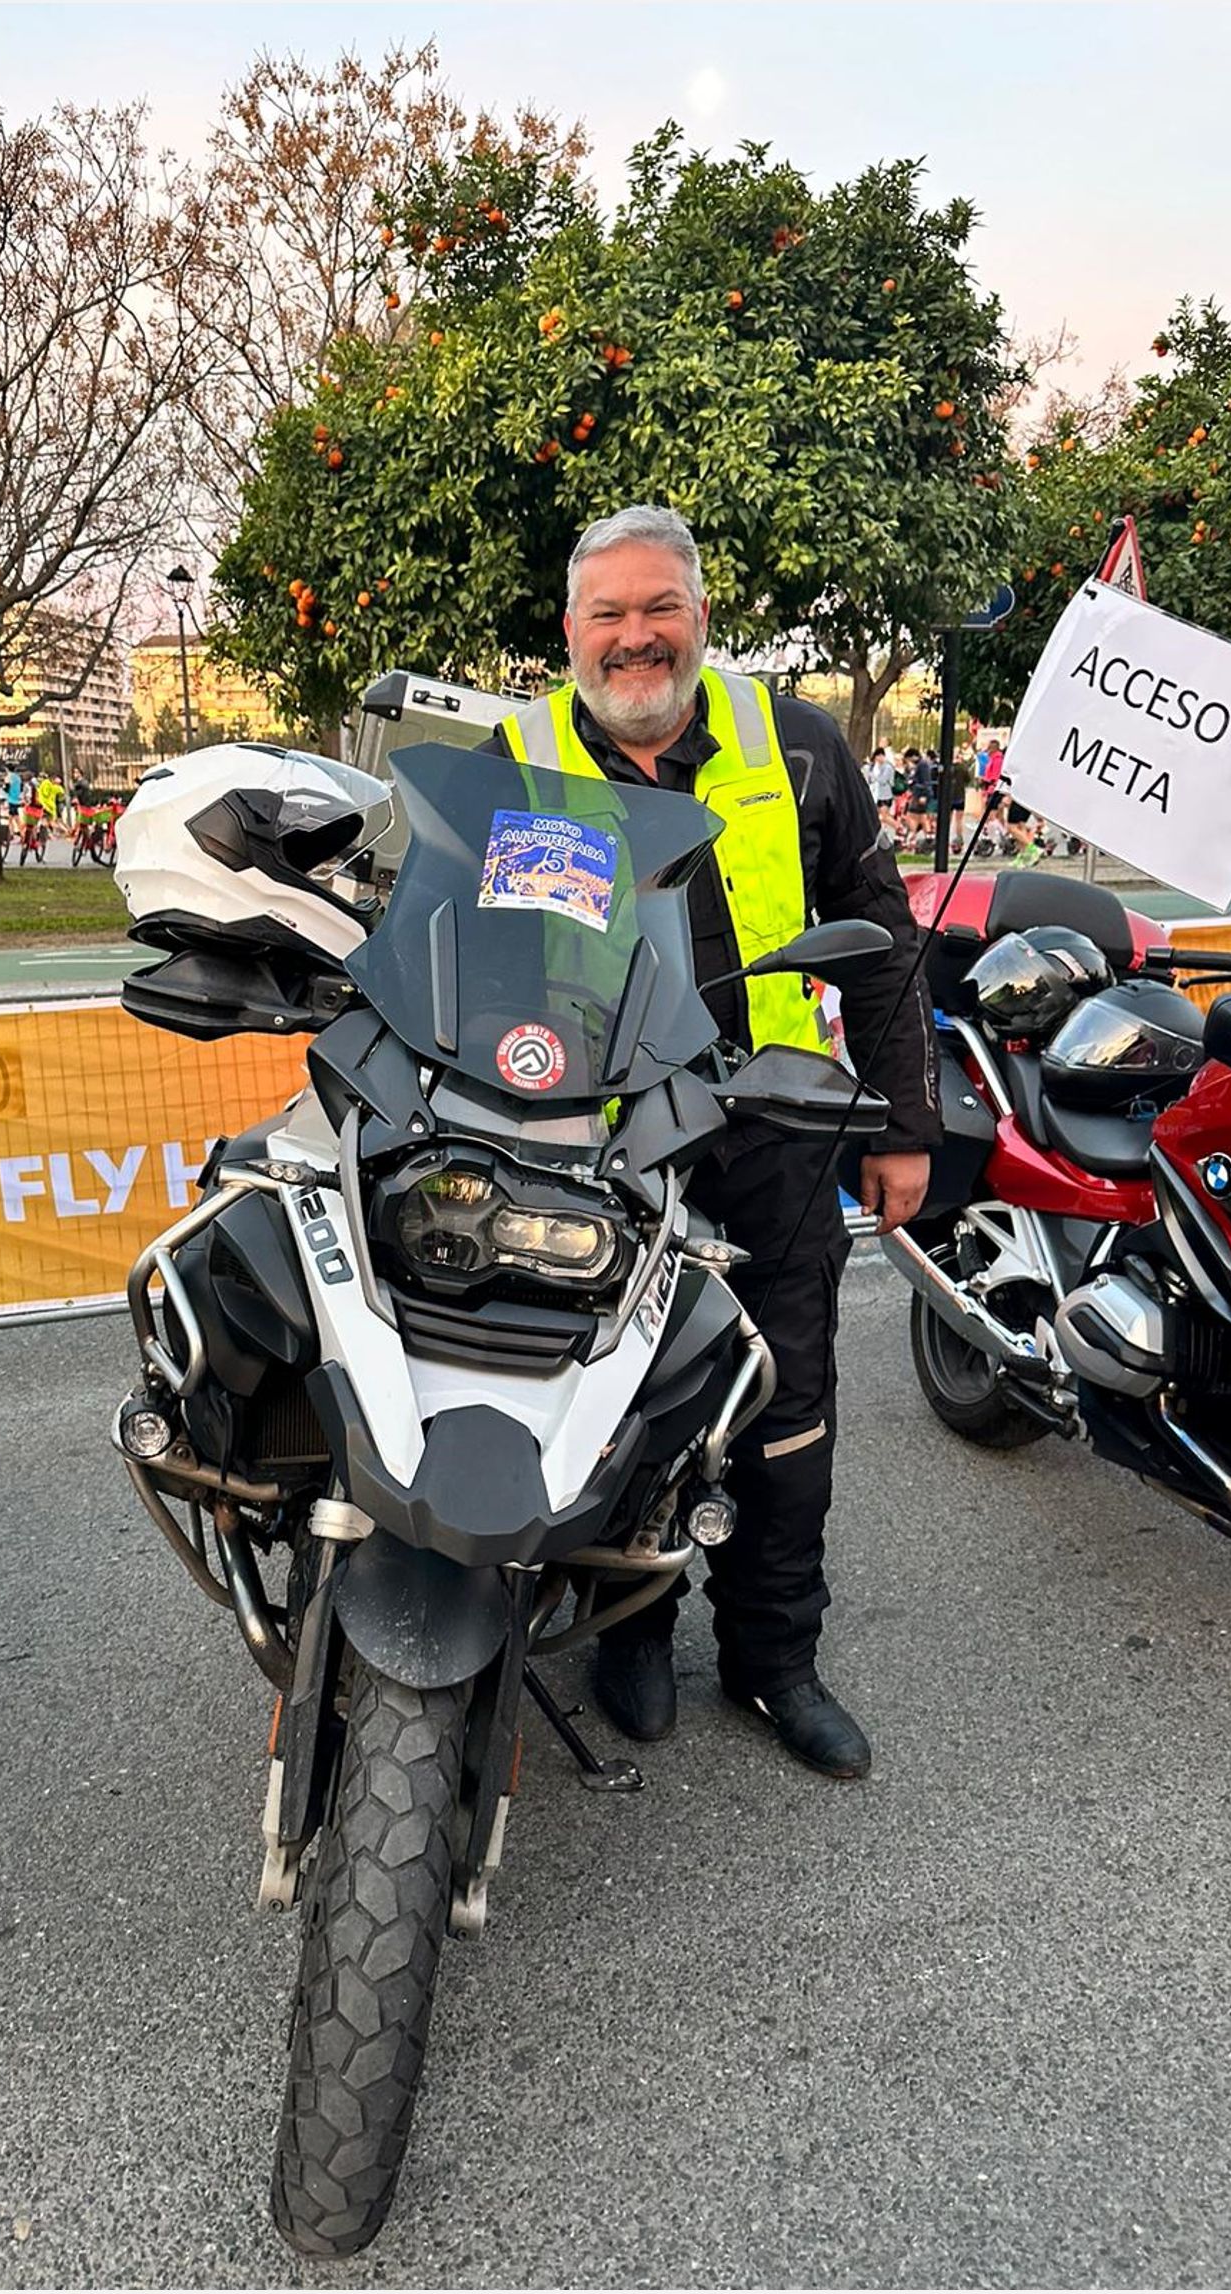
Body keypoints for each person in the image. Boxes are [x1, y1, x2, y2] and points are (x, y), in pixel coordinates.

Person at [487, 504, 939, 1780]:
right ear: (569, 630)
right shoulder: (518, 756)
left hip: (773, 1133)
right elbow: (472, 957)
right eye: (608, 613)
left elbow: (879, 933)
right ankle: (630, 1629)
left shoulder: (793, 742)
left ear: (699, 614)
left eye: (658, 608)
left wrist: (904, 1124)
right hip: (589, 1148)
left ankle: (773, 1658)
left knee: (782, 1411)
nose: (634, 636)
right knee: (612, 1405)